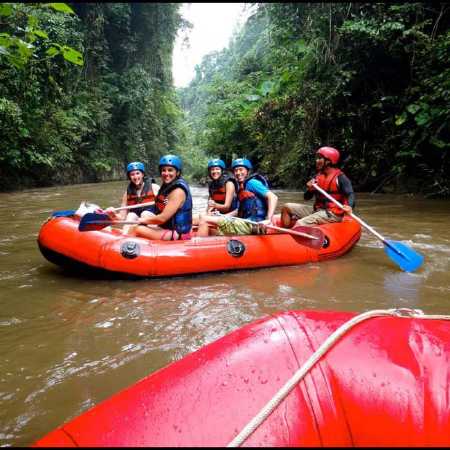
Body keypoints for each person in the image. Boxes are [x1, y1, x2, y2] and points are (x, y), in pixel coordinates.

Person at [197, 157, 278, 236]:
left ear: (247, 171)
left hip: (254, 224)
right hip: (245, 222)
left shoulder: (252, 183)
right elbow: (238, 211)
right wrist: (224, 217)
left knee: (204, 219)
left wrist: (268, 219)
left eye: (241, 169)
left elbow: (273, 197)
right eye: (236, 170)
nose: (238, 173)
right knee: (211, 225)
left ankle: (197, 247)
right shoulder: (241, 188)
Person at [280, 146, 354, 227]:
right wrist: (310, 189)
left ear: (328, 161)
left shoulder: (340, 178)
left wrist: (349, 206)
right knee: (286, 207)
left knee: (300, 223)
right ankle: (284, 233)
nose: (316, 161)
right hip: (317, 211)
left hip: (333, 214)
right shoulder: (317, 177)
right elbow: (306, 198)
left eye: (319, 158)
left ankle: (292, 235)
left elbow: (350, 194)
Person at [125, 154, 193, 240]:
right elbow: (158, 209)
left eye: (170, 170)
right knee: (143, 217)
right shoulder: (167, 187)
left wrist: (143, 220)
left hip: (178, 233)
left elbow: (162, 218)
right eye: (163, 170)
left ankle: (122, 250)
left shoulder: (178, 191)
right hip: (168, 228)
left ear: (178, 172)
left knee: (135, 229)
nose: (166, 173)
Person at [105, 161, 159, 234]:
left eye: (137, 173)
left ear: (142, 174)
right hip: (137, 224)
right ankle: (125, 238)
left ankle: (153, 238)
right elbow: (122, 217)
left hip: (154, 222)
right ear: (130, 177)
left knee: (145, 214)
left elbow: (165, 206)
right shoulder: (127, 193)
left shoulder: (154, 187)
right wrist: (113, 214)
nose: (135, 177)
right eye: (132, 174)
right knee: (131, 215)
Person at [192, 158, 238, 226]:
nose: (214, 171)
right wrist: (208, 212)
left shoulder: (229, 184)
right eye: (212, 169)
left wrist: (214, 205)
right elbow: (209, 206)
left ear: (222, 170)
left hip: (229, 215)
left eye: (217, 169)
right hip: (216, 214)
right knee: (191, 219)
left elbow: (227, 207)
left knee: (199, 219)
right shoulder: (212, 185)